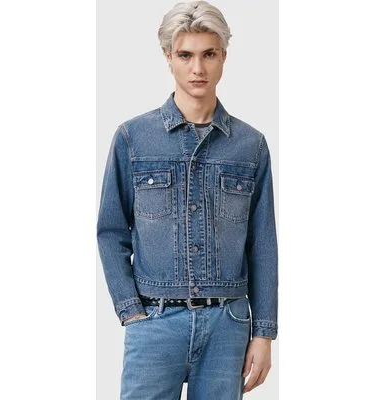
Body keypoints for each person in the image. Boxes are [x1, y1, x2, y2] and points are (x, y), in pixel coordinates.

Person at [97, 1, 278, 399]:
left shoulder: (250, 145)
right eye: (185, 55)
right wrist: (131, 311)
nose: (198, 68)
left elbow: (262, 244)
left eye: (209, 54)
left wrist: (264, 333)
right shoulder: (132, 139)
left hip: (227, 325)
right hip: (155, 321)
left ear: (224, 57)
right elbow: (110, 232)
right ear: (168, 57)